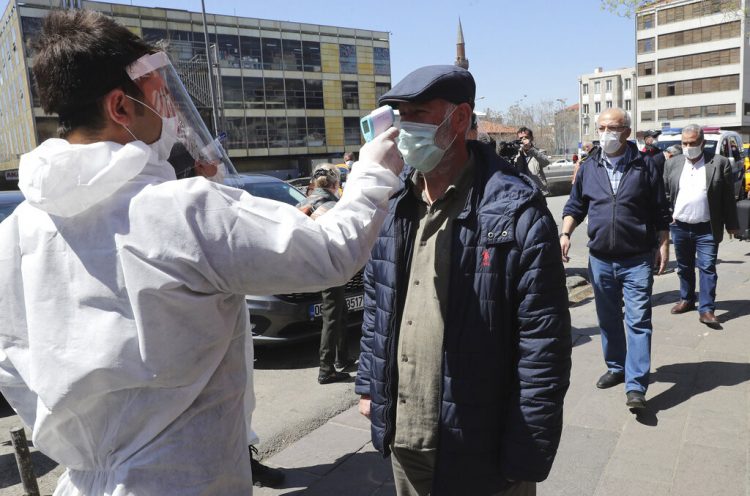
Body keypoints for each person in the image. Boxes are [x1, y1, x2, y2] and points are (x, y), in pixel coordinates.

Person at [0, 10, 403, 496]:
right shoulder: (182, 210)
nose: (169, 110)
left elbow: (15, 367)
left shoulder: (18, 229)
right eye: (158, 95)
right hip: (187, 479)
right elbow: (330, 253)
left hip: (85, 482)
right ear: (120, 108)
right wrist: (373, 173)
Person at [355, 64, 572, 496]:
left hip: (482, 449)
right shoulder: (394, 203)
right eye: (400, 116)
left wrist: (525, 452)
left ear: (458, 119)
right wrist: (369, 386)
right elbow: (377, 302)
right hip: (406, 437)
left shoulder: (517, 212)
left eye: (418, 114)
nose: (404, 128)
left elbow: (543, 348)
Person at [560, 107, 671, 410]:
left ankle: (636, 386)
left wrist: (664, 242)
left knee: (638, 321)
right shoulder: (588, 166)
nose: (606, 133)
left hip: (637, 259)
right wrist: (565, 233)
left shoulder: (645, 165)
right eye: (601, 127)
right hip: (600, 260)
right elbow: (575, 205)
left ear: (627, 131)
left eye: (613, 127)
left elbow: (661, 209)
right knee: (608, 320)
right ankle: (616, 367)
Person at [663, 124, 739, 327]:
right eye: (684, 143)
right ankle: (686, 299)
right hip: (679, 226)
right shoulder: (673, 164)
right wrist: (668, 216)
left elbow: (727, 199)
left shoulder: (719, 163)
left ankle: (706, 309)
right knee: (684, 266)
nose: (688, 147)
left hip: (707, 228)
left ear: (702, 142)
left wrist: (732, 225)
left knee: (707, 267)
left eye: (693, 143)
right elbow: (667, 193)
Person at [296, 164, 355, 384]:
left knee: (340, 311)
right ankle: (326, 369)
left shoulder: (303, 203)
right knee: (332, 317)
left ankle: (343, 357)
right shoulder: (335, 206)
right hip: (331, 267)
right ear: (335, 183)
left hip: (310, 266)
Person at [515, 126, 551, 195]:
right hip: (523, 192)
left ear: (531, 138)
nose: (523, 140)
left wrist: (530, 149)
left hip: (539, 191)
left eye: (526, 137)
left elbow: (546, 162)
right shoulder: (516, 155)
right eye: (521, 138)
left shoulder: (539, 152)